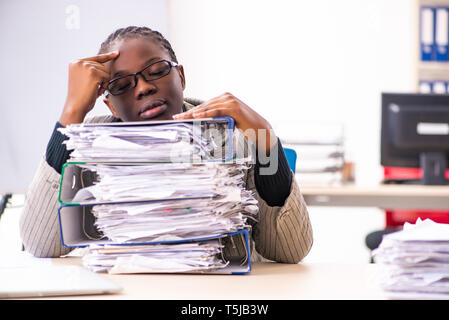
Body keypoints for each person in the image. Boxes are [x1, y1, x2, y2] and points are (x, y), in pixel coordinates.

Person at [19, 26, 313, 263]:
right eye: (121, 85)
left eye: (156, 70)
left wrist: (265, 138)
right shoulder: (90, 144)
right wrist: (71, 114)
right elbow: (41, 244)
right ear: (110, 105)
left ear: (181, 76)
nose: (144, 87)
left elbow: (290, 250)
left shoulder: (236, 137)